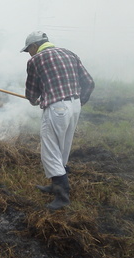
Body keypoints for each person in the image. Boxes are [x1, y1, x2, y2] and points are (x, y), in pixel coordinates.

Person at [21, 31, 95, 210]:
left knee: (50, 149)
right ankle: (56, 185)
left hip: (56, 109)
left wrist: (34, 100)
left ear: (34, 46)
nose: (29, 53)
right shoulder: (69, 54)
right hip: (75, 105)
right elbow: (89, 82)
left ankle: (62, 196)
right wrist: (78, 101)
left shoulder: (35, 60)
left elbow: (31, 92)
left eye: (28, 50)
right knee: (63, 146)